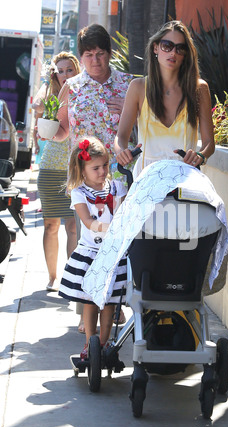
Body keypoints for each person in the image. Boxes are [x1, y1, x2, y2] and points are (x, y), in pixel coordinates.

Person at [54, 24, 135, 326]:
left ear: (109, 54)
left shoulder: (130, 85)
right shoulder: (71, 87)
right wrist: (49, 131)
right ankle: (86, 309)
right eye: (88, 55)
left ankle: (114, 302)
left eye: (100, 54)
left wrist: (130, 110)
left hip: (118, 178)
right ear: (81, 56)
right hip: (85, 181)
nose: (95, 61)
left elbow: (147, 126)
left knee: (118, 240)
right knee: (88, 241)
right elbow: (62, 131)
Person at [114, 20, 215, 176]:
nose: (173, 53)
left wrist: (201, 155)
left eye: (180, 48)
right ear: (156, 48)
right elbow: (121, 137)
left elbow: (209, 143)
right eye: (167, 46)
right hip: (146, 177)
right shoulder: (138, 87)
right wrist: (121, 151)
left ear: (186, 54)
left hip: (184, 177)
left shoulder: (199, 89)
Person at [58, 137, 127, 359]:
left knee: (108, 303)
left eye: (105, 165)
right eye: (95, 168)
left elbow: (124, 212)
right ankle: (90, 343)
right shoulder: (80, 193)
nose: (102, 171)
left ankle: (104, 344)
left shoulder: (117, 187)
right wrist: (109, 227)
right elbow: (87, 221)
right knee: (90, 301)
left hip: (113, 254)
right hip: (91, 253)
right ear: (83, 170)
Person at [32, 52, 81, 292]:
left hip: (76, 168)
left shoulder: (84, 91)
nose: (64, 75)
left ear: (77, 70)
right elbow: (37, 104)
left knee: (73, 227)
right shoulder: (51, 93)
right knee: (50, 225)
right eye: (60, 71)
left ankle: (70, 280)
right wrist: (45, 90)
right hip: (51, 166)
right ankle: (53, 278)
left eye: (69, 70)